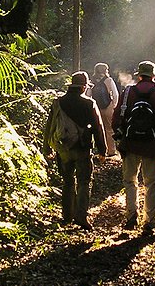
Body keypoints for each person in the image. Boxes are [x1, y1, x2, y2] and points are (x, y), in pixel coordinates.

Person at [112, 61, 155, 233]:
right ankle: (148, 221)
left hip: (130, 143)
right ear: (154, 75)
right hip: (152, 146)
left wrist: (119, 134)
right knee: (151, 183)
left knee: (130, 180)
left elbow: (117, 116)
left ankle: (131, 216)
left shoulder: (128, 92)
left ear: (139, 75)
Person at [43, 71, 107, 230]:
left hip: (63, 148)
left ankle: (67, 215)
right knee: (84, 182)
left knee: (67, 181)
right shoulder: (89, 103)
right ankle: (81, 216)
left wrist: (47, 148)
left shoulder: (58, 102)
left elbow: (49, 126)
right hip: (82, 148)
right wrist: (102, 149)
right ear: (84, 87)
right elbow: (98, 128)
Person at [87, 62, 120, 156]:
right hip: (108, 106)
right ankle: (111, 151)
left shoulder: (92, 81)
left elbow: (88, 94)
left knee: (98, 128)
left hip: (96, 107)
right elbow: (115, 94)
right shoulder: (108, 80)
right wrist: (114, 105)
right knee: (109, 129)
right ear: (105, 70)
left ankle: (101, 150)